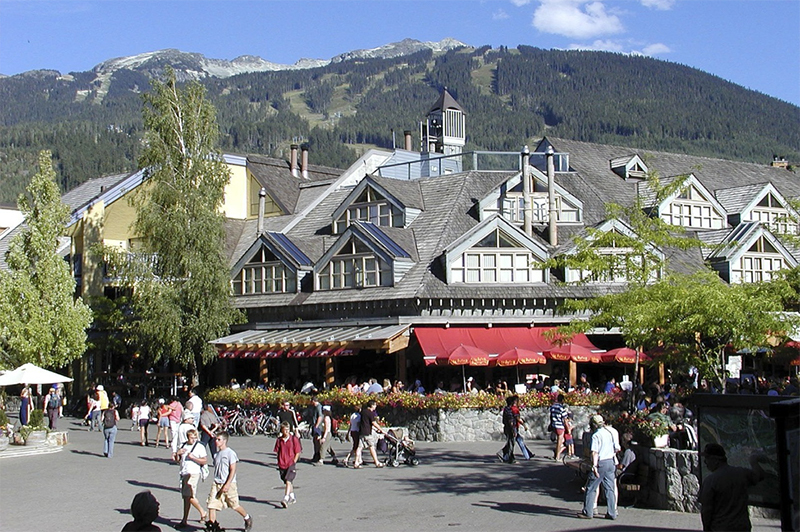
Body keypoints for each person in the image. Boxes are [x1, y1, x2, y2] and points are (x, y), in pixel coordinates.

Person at [699, 443, 765, 531]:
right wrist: (754, 460)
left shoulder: (710, 481)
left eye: (707, 458)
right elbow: (759, 476)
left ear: (716, 460)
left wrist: (706, 529)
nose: (705, 462)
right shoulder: (742, 474)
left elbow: (706, 510)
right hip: (742, 527)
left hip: (721, 528)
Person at [206, 431, 253, 532]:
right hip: (217, 483)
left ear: (225, 441)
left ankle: (247, 518)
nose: (216, 441)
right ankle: (212, 527)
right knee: (211, 504)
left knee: (234, 505)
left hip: (229, 483)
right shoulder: (216, 454)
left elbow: (233, 469)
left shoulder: (230, 453)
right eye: (216, 439)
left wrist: (227, 484)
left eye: (219, 440)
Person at [578, 414, 619, 520]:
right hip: (610, 462)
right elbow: (615, 448)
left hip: (601, 463)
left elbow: (594, 452)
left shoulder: (596, 435)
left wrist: (594, 466)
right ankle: (612, 512)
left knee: (591, 488)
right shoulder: (609, 432)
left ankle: (588, 512)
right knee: (609, 488)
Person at [175, 428, 208, 528]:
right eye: (191, 438)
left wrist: (193, 457)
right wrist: (178, 454)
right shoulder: (183, 445)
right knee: (186, 497)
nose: (193, 440)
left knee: (189, 496)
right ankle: (185, 519)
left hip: (194, 473)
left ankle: (202, 512)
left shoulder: (199, 447)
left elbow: (204, 461)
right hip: (184, 473)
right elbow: (177, 460)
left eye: (195, 438)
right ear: (187, 437)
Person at [274, 421, 302, 508]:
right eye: (284, 430)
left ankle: (285, 498)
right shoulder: (279, 440)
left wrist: (294, 461)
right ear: (281, 430)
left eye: (288, 430)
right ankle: (292, 497)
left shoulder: (293, 439)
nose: (286, 432)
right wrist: (278, 462)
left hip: (291, 463)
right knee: (287, 481)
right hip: (282, 464)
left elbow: (298, 451)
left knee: (288, 480)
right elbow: (277, 451)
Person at [354, 399, 384, 468]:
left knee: (359, 448)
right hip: (367, 432)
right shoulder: (370, 413)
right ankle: (377, 462)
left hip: (362, 431)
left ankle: (356, 462)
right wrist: (381, 429)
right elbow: (373, 423)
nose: (375, 407)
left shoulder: (363, 412)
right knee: (371, 447)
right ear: (372, 405)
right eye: (375, 405)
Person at [497, 395, 519, 464]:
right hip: (510, 428)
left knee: (511, 443)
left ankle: (502, 453)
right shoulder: (509, 410)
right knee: (511, 443)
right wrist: (513, 430)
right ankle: (510, 458)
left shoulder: (506, 409)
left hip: (507, 427)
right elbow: (510, 421)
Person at [549, 393, 567, 461]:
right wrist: (567, 427)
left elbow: (551, 415)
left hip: (554, 424)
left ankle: (556, 452)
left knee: (559, 441)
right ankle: (557, 456)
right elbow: (565, 418)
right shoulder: (561, 408)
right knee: (560, 441)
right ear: (562, 400)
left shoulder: (553, 406)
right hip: (560, 426)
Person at [309, 394, 324, 463]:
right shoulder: (315, 407)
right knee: (315, 441)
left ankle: (319, 455)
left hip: (318, 427)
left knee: (319, 441)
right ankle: (316, 454)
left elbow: (320, 416)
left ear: (313, 401)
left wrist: (317, 426)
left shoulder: (318, 407)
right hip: (314, 425)